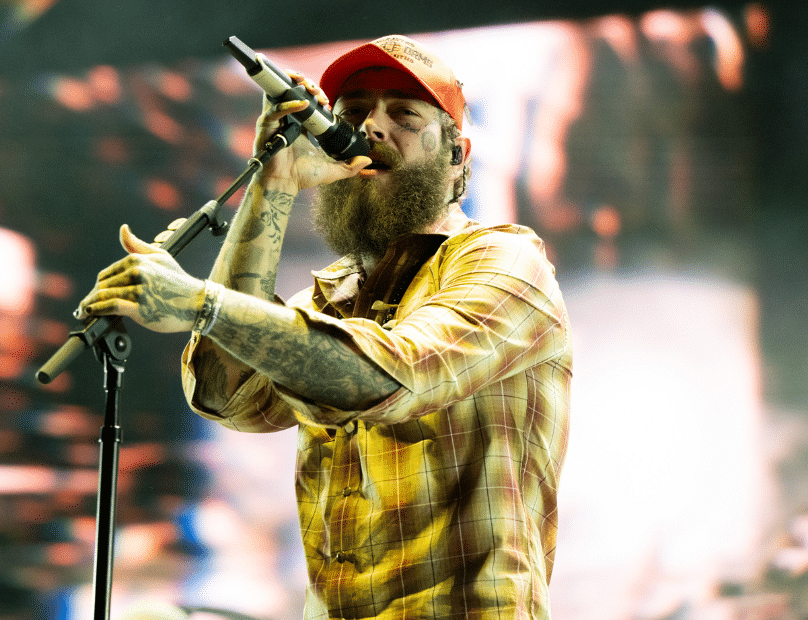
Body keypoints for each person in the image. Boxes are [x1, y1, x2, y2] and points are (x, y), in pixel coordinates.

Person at [76, 34, 572, 620]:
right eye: (354, 111)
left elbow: (390, 376)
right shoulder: (334, 293)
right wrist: (274, 182)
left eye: (404, 115)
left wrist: (204, 304)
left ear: (458, 154)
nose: (372, 128)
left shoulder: (506, 263)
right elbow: (225, 393)